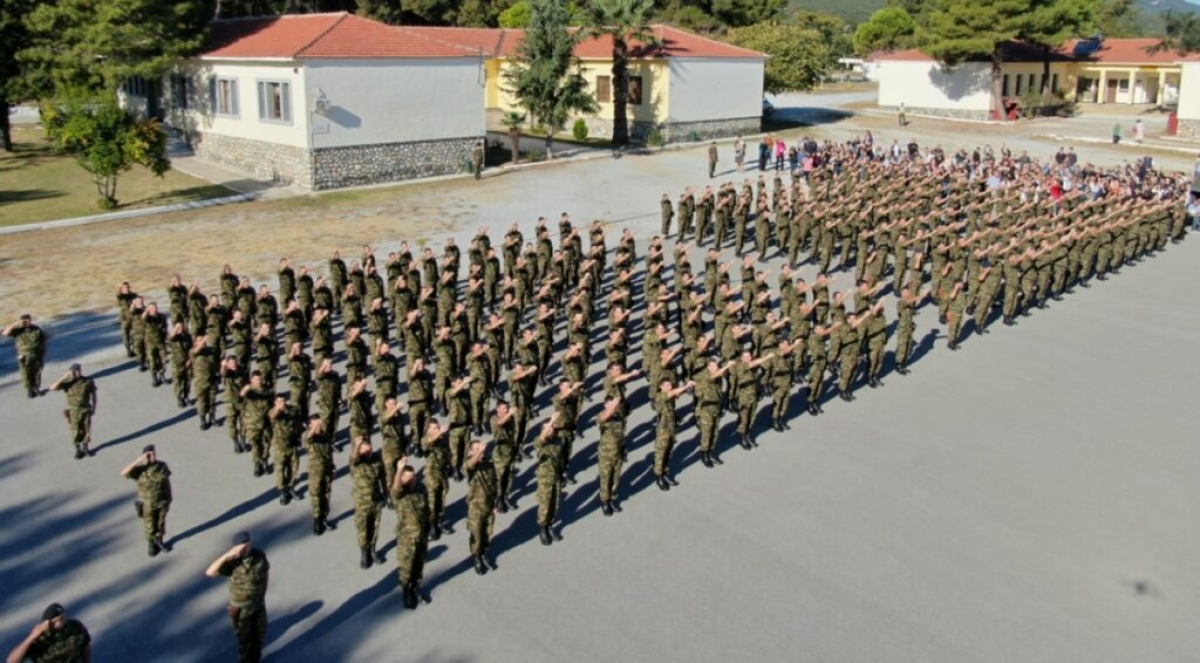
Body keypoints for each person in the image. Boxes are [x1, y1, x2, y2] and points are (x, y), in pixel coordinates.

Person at [206, 532, 269, 663]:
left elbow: (265, 572)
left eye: (247, 545)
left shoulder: (259, 556)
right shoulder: (232, 562)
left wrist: (263, 593)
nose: (245, 548)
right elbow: (210, 572)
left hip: (258, 603)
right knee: (245, 641)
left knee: (260, 635)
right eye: (242, 546)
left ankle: (256, 658)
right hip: (241, 608)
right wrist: (226, 556)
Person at [390, 458, 429, 609]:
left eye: (413, 476)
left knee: (419, 564)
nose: (411, 479)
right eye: (407, 476)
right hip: (407, 537)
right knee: (407, 566)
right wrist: (399, 470)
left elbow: (426, 508)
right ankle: (407, 591)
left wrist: (429, 525)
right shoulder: (400, 493)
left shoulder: (421, 489)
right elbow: (396, 488)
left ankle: (415, 588)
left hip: (421, 534)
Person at [121, 445, 173, 557]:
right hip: (148, 504)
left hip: (162, 501)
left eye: (154, 453)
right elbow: (124, 473)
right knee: (149, 525)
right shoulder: (139, 470)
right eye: (149, 454)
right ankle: (151, 544)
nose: (152, 456)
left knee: (161, 523)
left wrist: (169, 497)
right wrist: (139, 460)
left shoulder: (162, 466)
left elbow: (167, 481)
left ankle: (159, 541)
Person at [5, 602, 91, 663]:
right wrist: (31, 637)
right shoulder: (40, 638)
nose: (60, 622)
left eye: (62, 618)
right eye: (56, 621)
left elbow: (84, 645)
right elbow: (11, 661)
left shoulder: (74, 627)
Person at [350, 436, 387, 569]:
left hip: (376, 500)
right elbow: (353, 458)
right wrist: (357, 445)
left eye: (370, 450)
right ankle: (364, 553)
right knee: (363, 528)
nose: (369, 453)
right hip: (362, 502)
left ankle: (373, 549)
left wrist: (386, 494)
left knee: (375, 527)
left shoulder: (377, 459)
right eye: (366, 452)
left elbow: (383, 477)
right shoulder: (357, 462)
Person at [465, 439, 498, 575]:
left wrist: (495, 502)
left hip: (489, 503)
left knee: (487, 532)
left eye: (481, 447)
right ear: (472, 451)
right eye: (477, 448)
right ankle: (477, 557)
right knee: (477, 533)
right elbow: (471, 464)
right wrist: (478, 453)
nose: (481, 450)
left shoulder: (489, 464)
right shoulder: (470, 465)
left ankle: (483, 553)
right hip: (476, 506)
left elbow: (494, 484)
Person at [50, 364, 97, 459]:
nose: (78, 372)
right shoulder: (68, 383)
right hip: (73, 412)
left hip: (85, 409)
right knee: (75, 431)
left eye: (79, 370)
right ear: (71, 373)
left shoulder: (88, 381)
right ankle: (77, 449)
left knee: (87, 430)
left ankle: (85, 448)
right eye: (75, 371)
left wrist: (94, 408)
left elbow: (94, 395)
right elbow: (52, 388)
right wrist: (64, 376)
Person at [3, 314, 47, 398]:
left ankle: (36, 388)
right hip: (24, 356)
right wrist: (16, 323)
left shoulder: (36, 329)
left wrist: (44, 351)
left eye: (28, 320)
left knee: (37, 372)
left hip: (37, 354)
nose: (27, 322)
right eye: (25, 321)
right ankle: (29, 389)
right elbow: (5, 333)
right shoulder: (17, 330)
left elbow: (42, 341)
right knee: (26, 373)